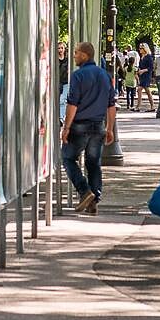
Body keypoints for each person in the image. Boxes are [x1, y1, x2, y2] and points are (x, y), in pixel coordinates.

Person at [62, 41, 117, 215]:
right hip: (98, 125)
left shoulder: (78, 76)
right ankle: (94, 199)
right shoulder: (105, 75)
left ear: (85, 55)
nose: (74, 55)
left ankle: (84, 191)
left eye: (76, 52)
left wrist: (66, 127)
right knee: (93, 163)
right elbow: (111, 105)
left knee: (68, 157)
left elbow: (72, 104)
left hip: (80, 125)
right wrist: (109, 128)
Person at [137, 43, 156, 111]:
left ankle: (139, 106)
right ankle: (151, 106)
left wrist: (143, 70)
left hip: (146, 75)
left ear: (145, 49)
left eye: (141, 48)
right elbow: (140, 66)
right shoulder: (142, 57)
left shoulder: (148, 57)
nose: (139, 50)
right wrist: (139, 69)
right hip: (142, 75)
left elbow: (151, 67)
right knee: (144, 90)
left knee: (142, 90)